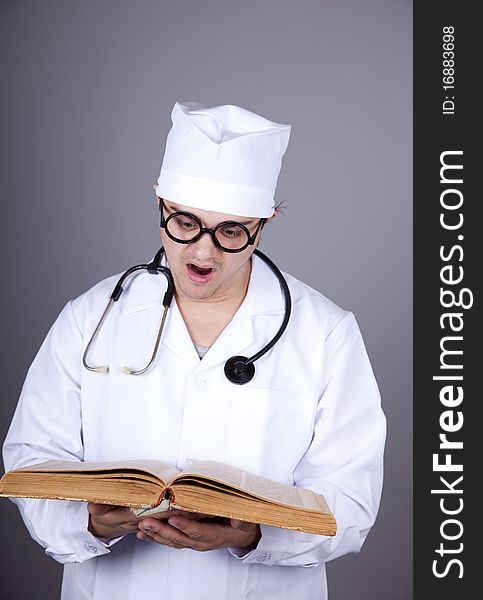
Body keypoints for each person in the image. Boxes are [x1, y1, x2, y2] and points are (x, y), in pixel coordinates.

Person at [2, 101, 386, 599]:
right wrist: (91, 524)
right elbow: (32, 463)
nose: (202, 252)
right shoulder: (90, 317)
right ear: (159, 201)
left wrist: (254, 533)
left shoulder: (326, 333)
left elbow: (351, 503)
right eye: (185, 223)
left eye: (230, 231)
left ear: (263, 224)